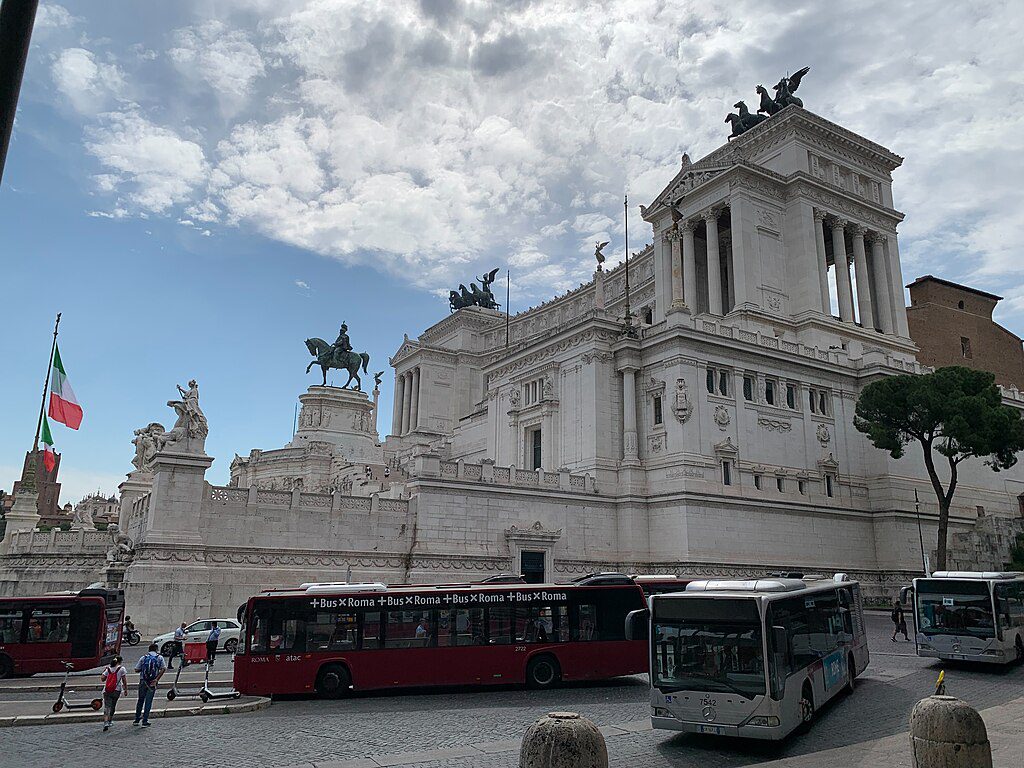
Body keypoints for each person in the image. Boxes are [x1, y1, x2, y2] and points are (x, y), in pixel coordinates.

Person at [134, 643, 166, 727]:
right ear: (156, 649)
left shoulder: (143, 658)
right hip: (152, 682)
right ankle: (145, 720)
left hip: (143, 681)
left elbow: (136, 669)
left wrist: (143, 670)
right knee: (148, 701)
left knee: (140, 700)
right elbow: (163, 668)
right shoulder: (159, 658)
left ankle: (137, 719)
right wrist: (156, 679)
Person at [100, 655, 128, 731]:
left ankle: (105, 722)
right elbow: (124, 680)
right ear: (120, 661)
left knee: (107, 706)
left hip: (107, 690)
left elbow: (102, 679)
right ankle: (110, 720)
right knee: (113, 705)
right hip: (117, 690)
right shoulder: (122, 669)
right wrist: (125, 690)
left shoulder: (108, 669)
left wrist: (104, 671)